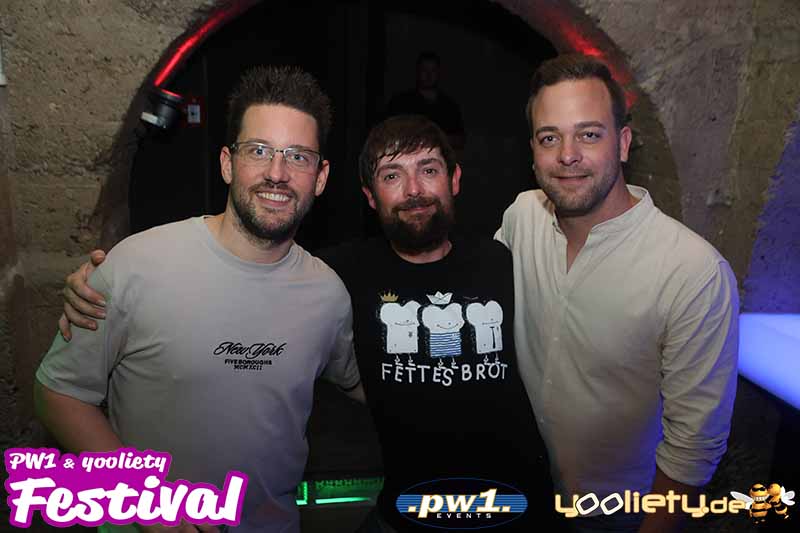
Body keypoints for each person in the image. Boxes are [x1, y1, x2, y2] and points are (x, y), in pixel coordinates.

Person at [59, 115, 558, 532]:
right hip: (408, 509)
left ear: (455, 179)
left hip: (520, 507)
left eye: (428, 170)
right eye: (392, 176)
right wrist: (100, 279)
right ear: (370, 196)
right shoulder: (335, 278)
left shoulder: (504, 261)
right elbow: (254, 268)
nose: (413, 190)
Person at [35, 65, 363, 533]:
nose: (277, 173)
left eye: (298, 156)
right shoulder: (137, 265)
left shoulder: (328, 295)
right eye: (259, 151)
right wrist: (147, 506)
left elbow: (367, 383)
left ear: (321, 176)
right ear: (228, 163)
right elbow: (58, 393)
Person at [494, 54, 739, 532]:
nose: (567, 155)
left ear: (623, 143)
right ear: (533, 151)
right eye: (550, 138)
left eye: (589, 134)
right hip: (523, 497)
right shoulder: (522, 218)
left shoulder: (693, 273)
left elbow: (692, 449)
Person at [385, 52, 465, 152]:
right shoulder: (401, 102)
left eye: (433, 70)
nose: (428, 75)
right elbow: (389, 133)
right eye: (424, 70)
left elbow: (459, 139)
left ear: (439, 73)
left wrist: (436, 140)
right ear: (417, 72)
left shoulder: (449, 106)